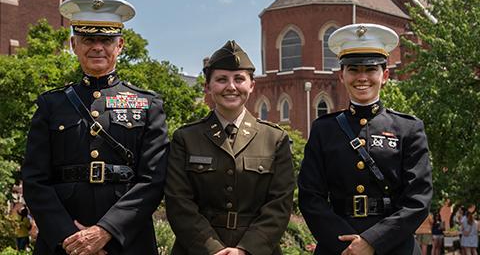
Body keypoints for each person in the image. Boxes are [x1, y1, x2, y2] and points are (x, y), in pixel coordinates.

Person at [22, 0, 169, 255]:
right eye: (89, 39)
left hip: (126, 241)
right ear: (73, 44)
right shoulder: (51, 105)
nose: (97, 47)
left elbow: (153, 180)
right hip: (63, 243)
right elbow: (34, 180)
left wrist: (106, 231)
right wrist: (69, 237)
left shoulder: (148, 104)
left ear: (120, 45)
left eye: (107, 40)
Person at [297, 23, 433, 255]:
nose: (362, 77)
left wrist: (373, 241)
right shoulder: (323, 130)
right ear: (342, 75)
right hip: (337, 246)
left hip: (395, 246)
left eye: (371, 70)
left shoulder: (408, 128)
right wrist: (346, 246)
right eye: (353, 69)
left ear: (385, 75)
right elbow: (310, 197)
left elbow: (418, 199)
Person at [165, 40, 295, 254]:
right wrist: (212, 250)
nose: (231, 87)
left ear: (252, 85)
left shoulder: (275, 138)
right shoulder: (185, 138)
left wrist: (245, 250)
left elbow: (280, 205)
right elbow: (179, 203)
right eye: (221, 79)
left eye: (239, 79)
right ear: (208, 86)